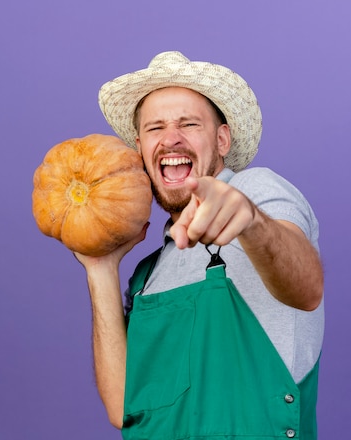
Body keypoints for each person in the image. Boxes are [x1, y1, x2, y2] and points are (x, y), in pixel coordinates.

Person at [74, 51, 324, 440]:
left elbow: (307, 288)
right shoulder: (146, 277)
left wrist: (251, 221)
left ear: (222, 139)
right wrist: (100, 269)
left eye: (188, 124)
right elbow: (123, 408)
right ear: (140, 148)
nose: (170, 138)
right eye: (155, 128)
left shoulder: (255, 191)